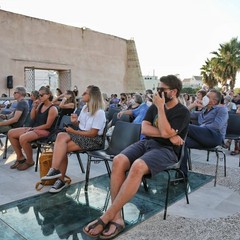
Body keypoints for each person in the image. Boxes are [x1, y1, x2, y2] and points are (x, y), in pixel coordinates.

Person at [83, 75, 190, 239]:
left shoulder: (182, 112)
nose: (157, 93)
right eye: (157, 89)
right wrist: (167, 133)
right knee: (119, 160)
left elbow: (167, 133)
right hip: (148, 143)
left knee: (138, 166)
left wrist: (162, 111)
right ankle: (117, 217)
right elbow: (145, 130)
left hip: (168, 150)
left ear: (174, 92)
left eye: (161, 89)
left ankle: (106, 216)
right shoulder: (154, 106)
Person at [41, 85, 106, 193]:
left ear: (92, 96)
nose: (82, 95)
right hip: (82, 136)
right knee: (61, 137)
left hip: (93, 140)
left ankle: (58, 177)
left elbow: (93, 133)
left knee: (62, 147)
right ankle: (55, 171)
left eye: (85, 93)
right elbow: (81, 125)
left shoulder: (99, 112)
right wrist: (75, 121)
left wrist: (73, 131)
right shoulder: (85, 108)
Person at [8, 86, 58, 171]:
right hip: (36, 128)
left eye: (42, 95)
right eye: (39, 95)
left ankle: (30, 161)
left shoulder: (52, 109)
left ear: (48, 95)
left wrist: (33, 129)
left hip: (46, 131)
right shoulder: (41, 105)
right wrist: (34, 107)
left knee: (23, 138)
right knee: (11, 133)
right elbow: (33, 117)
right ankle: (20, 158)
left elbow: (48, 126)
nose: (40, 97)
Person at [181, 89, 229, 176]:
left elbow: (216, 126)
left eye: (207, 97)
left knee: (185, 126)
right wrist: (193, 104)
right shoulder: (203, 111)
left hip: (214, 137)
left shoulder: (222, 110)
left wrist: (199, 129)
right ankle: (182, 174)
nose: (204, 98)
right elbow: (183, 114)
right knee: (181, 142)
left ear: (214, 101)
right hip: (203, 138)